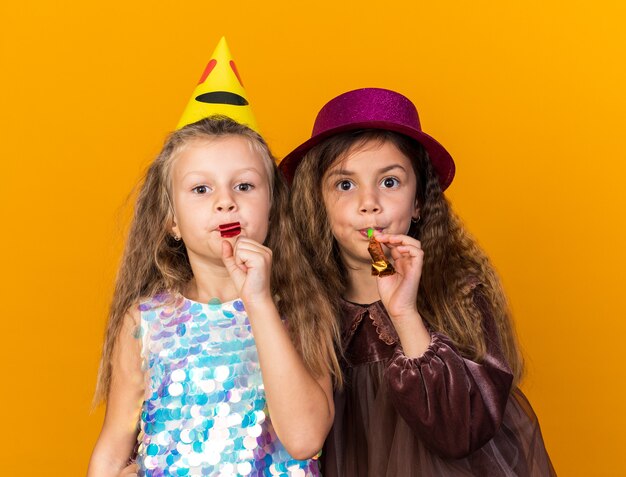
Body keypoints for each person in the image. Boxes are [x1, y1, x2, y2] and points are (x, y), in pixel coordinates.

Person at [279, 88, 556, 476]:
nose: (369, 202)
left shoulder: (458, 294)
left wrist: (404, 312)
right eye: (345, 185)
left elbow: (458, 432)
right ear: (317, 202)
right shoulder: (302, 306)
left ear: (420, 201)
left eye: (389, 182)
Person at [87, 116, 341, 477]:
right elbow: (112, 451)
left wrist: (259, 302)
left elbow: (304, 439)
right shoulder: (144, 322)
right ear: (170, 220)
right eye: (201, 189)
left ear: (271, 207)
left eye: (244, 185)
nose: (225, 202)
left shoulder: (301, 310)